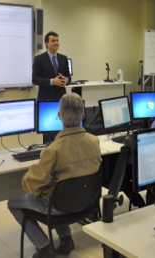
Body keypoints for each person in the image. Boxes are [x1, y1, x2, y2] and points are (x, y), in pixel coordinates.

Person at [7, 93, 102, 258]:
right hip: (86, 202)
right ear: (83, 115)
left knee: (13, 203)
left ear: (59, 116)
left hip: (58, 207)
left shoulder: (53, 150)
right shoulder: (95, 141)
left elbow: (32, 186)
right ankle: (66, 240)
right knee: (60, 187)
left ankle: (44, 247)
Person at [32, 31, 71, 101]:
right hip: (46, 98)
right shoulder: (39, 59)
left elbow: (68, 76)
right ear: (46, 44)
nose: (56, 43)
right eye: (53, 41)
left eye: (57, 40)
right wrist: (52, 81)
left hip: (62, 98)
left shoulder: (63, 58)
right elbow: (35, 79)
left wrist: (66, 80)